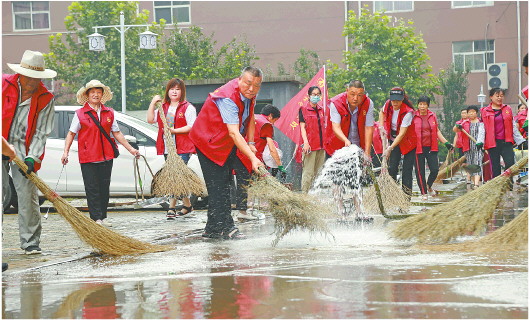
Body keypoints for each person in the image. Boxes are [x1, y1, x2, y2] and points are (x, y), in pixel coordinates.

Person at [189, 67, 264, 240]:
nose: (251, 88)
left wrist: (251, 142)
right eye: (248, 83)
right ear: (239, 80)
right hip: (208, 143)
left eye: (256, 85)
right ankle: (227, 227)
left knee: (225, 184)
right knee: (219, 188)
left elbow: (251, 116)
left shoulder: (250, 96)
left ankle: (212, 230)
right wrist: (253, 158)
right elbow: (233, 132)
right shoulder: (228, 97)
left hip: (225, 144)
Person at [61, 80, 140, 226]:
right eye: (93, 92)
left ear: (102, 95)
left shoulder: (109, 112)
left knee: (104, 188)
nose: (96, 95)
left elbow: (117, 133)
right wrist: (65, 152)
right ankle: (96, 218)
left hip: (106, 156)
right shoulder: (80, 114)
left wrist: (131, 149)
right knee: (92, 189)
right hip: (88, 157)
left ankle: (102, 217)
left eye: (98, 92)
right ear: (87, 95)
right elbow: (71, 134)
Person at [2, 50, 56, 255]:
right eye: (30, 77)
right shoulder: (3, 85)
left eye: (37, 78)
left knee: (28, 194)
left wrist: (33, 156)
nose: (33, 82)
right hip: (0, 141)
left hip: (23, 148)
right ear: (20, 74)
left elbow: (42, 131)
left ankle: (30, 241)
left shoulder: (45, 97)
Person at [324, 80, 375, 221]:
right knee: (337, 180)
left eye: (359, 95)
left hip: (357, 147)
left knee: (357, 178)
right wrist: (345, 141)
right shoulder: (335, 103)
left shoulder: (368, 103)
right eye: (352, 94)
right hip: (337, 146)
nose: (355, 98)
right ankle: (341, 212)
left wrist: (367, 153)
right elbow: (335, 126)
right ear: (347, 91)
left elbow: (369, 127)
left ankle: (359, 211)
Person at [147, 78, 197, 220]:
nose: (174, 92)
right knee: (178, 178)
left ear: (182, 92)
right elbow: (150, 119)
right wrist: (153, 102)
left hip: (182, 148)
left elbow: (191, 126)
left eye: (178, 89)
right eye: (172, 89)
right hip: (167, 147)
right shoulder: (163, 108)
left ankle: (171, 207)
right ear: (168, 91)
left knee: (175, 176)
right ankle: (187, 206)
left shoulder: (188, 107)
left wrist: (174, 131)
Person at [233, 104, 282, 222]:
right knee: (245, 184)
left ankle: (245, 210)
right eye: (275, 120)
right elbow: (272, 148)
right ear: (270, 116)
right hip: (248, 157)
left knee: (242, 184)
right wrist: (280, 165)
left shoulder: (253, 117)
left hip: (237, 153)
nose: (274, 123)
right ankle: (243, 212)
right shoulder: (266, 125)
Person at [379, 87, 418, 197]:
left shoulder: (408, 112)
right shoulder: (388, 104)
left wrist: (390, 148)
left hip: (408, 142)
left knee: (406, 170)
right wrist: (381, 127)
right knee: (392, 167)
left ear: (402, 99)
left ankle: (406, 197)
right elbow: (381, 113)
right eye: (393, 100)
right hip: (393, 138)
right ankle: (392, 195)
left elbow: (402, 134)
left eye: (398, 100)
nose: (395, 103)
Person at [413, 96, 453, 200]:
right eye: (420, 104)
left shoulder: (432, 116)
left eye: (424, 104)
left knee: (435, 170)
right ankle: (423, 193)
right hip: (417, 148)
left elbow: (437, 131)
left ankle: (428, 186)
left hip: (431, 147)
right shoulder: (413, 116)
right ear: (418, 105)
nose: (422, 106)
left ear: (428, 105)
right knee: (420, 172)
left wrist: (446, 143)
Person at [480, 88, 525, 178]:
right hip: (493, 144)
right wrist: (480, 141)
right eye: (497, 96)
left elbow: (512, 126)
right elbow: (482, 128)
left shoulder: (507, 108)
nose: (499, 98)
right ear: (491, 97)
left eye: (501, 96)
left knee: (510, 164)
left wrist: (520, 140)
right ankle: (497, 187)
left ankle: (508, 183)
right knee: (495, 168)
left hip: (506, 142)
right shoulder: (485, 111)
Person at [298, 86, 327, 193]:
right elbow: (302, 128)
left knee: (318, 173)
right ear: (309, 96)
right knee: (308, 173)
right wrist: (305, 142)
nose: (316, 97)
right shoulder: (303, 109)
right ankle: (305, 196)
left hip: (321, 146)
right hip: (310, 146)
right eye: (313, 95)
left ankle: (315, 195)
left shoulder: (321, 110)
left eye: (318, 94)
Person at [455, 106, 485, 189]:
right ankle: (473, 181)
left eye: (473, 112)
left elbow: (483, 133)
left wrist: (481, 143)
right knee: (471, 165)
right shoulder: (465, 123)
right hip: (468, 148)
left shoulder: (481, 123)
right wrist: (458, 126)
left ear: (476, 113)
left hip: (478, 147)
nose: (471, 113)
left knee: (478, 163)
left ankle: (476, 184)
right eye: (470, 112)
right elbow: (455, 130)